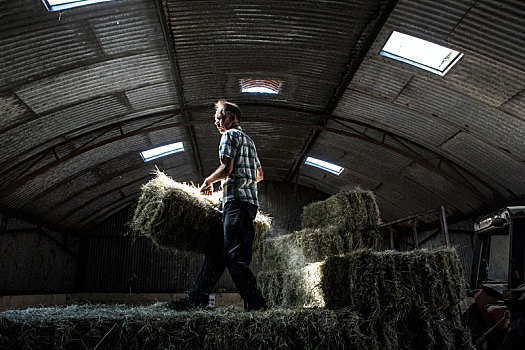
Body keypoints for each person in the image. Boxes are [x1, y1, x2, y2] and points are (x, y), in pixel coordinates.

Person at [166, 100, 267, 311]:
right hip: (247, 203)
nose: (217, 122)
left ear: (233, 118)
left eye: (220, 117)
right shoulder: (249, 142)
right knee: (217, 253)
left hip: (236, 204)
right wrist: (243, 182)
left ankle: (256, 305)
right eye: (215, 119)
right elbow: (259, 175)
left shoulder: (229, 136)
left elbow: (225, 169)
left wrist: (207, 181)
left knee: (235, 258)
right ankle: (197, 298)